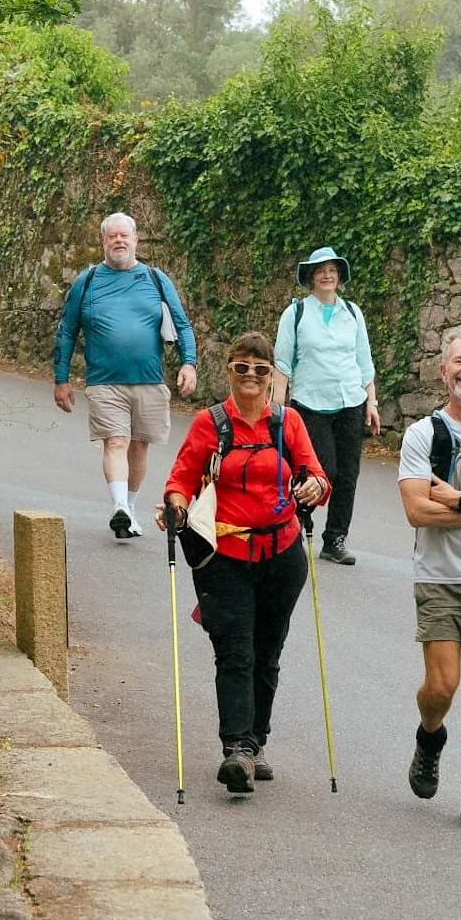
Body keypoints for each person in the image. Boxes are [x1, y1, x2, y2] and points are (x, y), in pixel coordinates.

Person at [158, 331, 331, 793]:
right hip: (224, 556)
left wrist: (314, 486)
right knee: (234, 650)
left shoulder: (287, 423)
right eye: (242, 368)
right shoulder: (209, 423)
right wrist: (175, 505)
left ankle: (255, 742)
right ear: (229, 371)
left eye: (260, 369)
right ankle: (236, 748)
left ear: (272, 375)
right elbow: (181, 480)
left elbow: (316, 474)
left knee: (267, 652)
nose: (251, 377)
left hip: (282, 555)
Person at [398, 323, 461, 832]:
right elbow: (417, 511)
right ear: (443, 371)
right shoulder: (424, 435)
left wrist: (458, 499)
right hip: (439, 575)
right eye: (459, 361)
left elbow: (439, 503)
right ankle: (430, 736)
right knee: (443, 685)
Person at [54, 212, 197, 539]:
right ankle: (119, 506)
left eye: (124, 236)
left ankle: (129, 508)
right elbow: (66, 331)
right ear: (103, 241)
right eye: (112, 236)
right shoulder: (87, 281)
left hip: (149, 380)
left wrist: (189, 363)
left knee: (139, 448)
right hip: (105, 382)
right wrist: (61, 379)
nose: (118, 241)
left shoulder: (156, 279)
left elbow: (182, 324)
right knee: (116, 441)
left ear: (135, 240)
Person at [273, 244, 380, 566]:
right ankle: (293, 525)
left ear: (339, 276)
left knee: (347, 474)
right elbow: (282, 364)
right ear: (311, 276)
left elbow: (364, 361)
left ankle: (335, 539)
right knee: (322, 471)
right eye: (321, 270)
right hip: (310, 403)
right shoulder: (296, 313)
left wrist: (371, 402)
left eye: (333, 270)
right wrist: (276, 409)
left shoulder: (352, 312)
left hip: (351, 401)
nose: (327, 275)